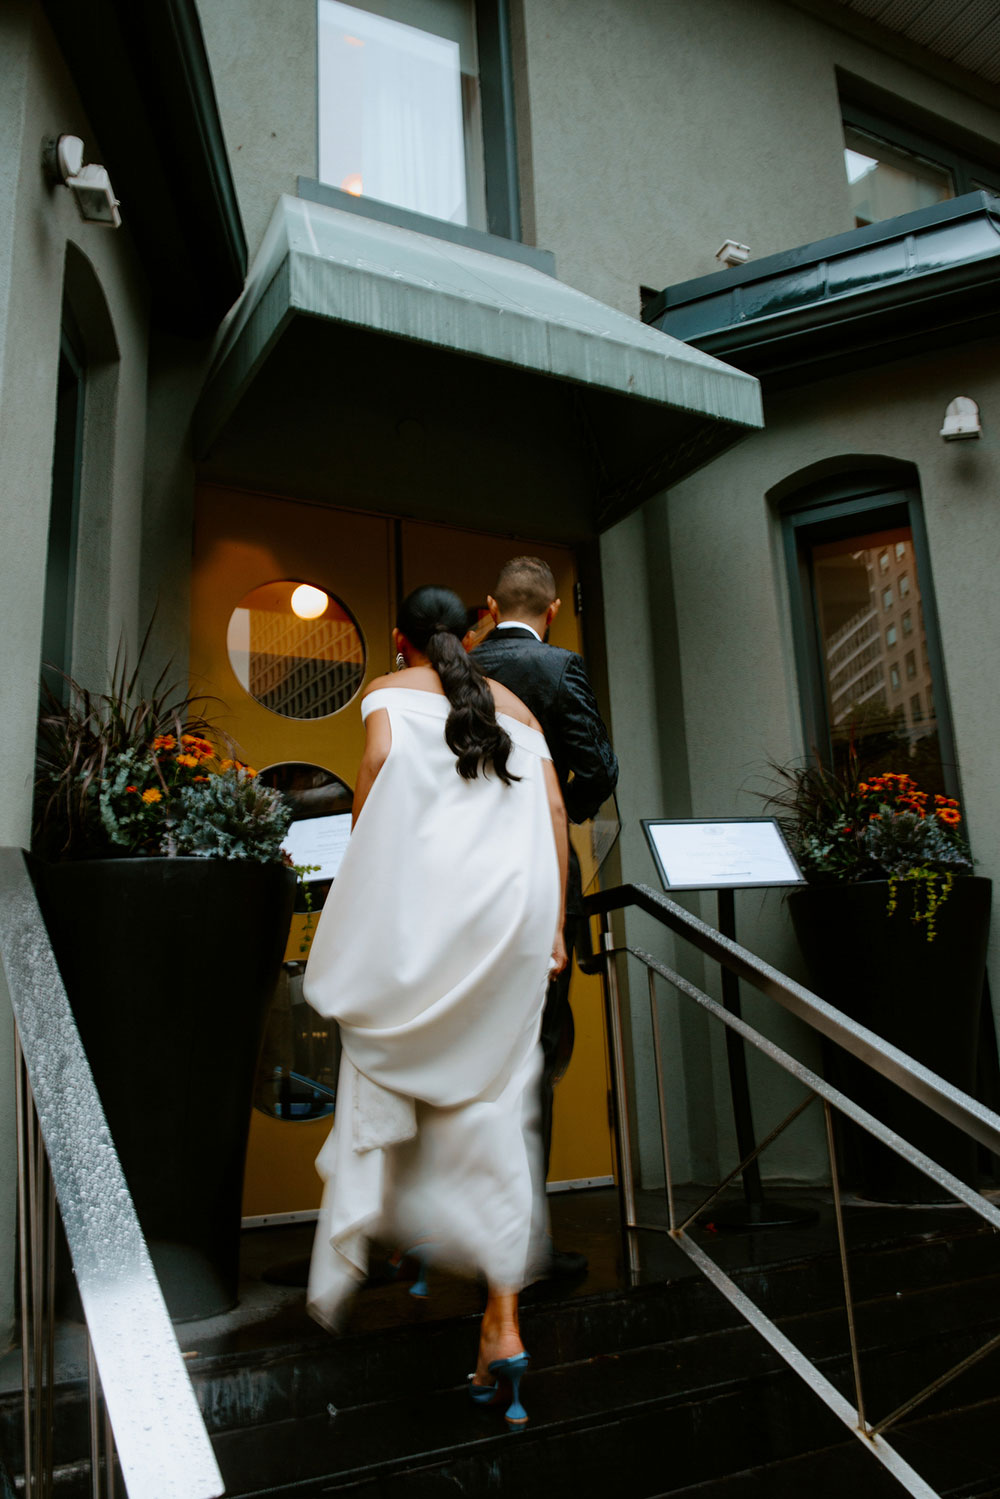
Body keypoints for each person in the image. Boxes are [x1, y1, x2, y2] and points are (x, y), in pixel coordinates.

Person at [303, 585, 568, 1427]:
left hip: (431, 919)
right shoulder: (521, 707)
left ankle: (395, 1231)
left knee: (388, 1056)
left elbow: (376, 778)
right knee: (494, 1107)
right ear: (473, 629)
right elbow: (556, 813)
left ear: (399, 637)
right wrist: (555, 930)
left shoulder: (387, 690)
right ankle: (502, 1321)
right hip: (511, 929)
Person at [472, 558, 619, 1275]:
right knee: (536, 1056)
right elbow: (597, 768)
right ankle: (524, 1240)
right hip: (537, 884)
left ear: (491, 603)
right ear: (554, 609)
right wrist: (563, 810)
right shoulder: (561, 666)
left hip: (465, 882)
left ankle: (473, 1233)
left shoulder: (458, 668)